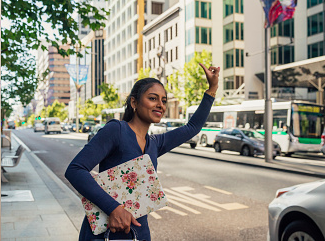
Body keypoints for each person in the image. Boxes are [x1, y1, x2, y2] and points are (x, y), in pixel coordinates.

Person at [65, 63, 220, 241]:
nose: (160, 105)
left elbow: (192, 127)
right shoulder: (116, 130)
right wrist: (113, 208)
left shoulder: (155, 143)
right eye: (153, 98)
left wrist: (212, 88)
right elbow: (75, 170)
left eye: (163, 101)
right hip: (105, 232)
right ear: (134, 102)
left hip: (138, 232)